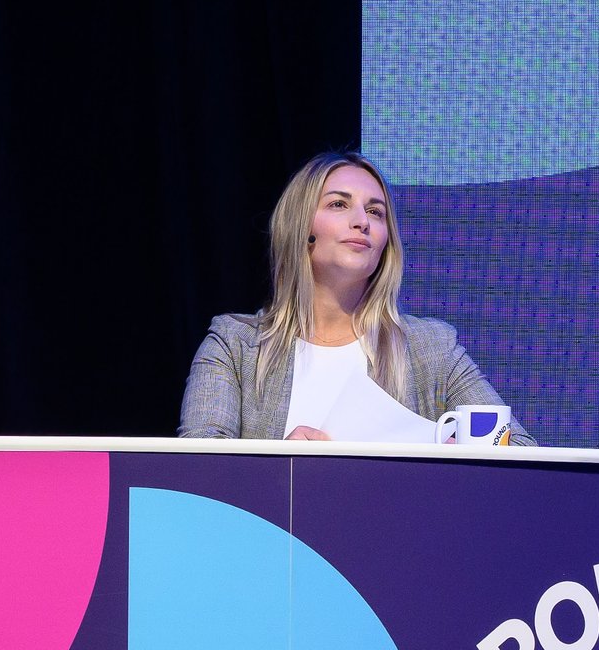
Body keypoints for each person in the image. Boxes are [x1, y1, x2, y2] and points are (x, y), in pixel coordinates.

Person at [178, 151, 532, 443]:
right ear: (301, 229)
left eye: (375, 212)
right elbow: (199, 472)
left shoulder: (431, 347)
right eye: (338, 205)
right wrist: (280, 465)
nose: (362, 221)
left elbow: (520, 449)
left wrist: (459, 458)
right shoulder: (235, 344)